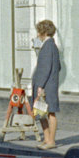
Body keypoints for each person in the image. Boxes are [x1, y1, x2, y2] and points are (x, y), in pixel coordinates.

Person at [30, 20, 61, 149]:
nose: (37, 34)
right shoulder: (51, 45)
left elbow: (45, 67)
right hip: (49, 83)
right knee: (41, 112)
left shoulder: (48, 46)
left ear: (44, 32)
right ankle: (47, 139)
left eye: (39, 31)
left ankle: (51, 141)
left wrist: (40, 85)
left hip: (46, 85)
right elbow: (58, 66)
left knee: (50, 113)